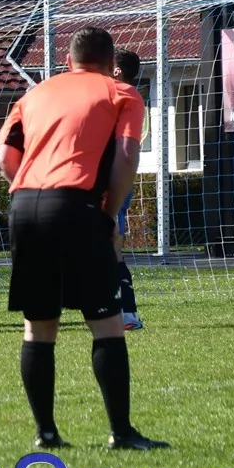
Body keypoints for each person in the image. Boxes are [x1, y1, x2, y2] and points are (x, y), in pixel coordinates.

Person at [0, 27, 167, 450]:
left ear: (68, 62)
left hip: (24, 205)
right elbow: (127, 156)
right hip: (77, 205)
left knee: (39, 327)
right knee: (106, 322)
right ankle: (121, 433)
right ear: (111, 64)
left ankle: (46, 434)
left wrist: (32, 194)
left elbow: (4, 160)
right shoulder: (121, 93)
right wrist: (108, 214)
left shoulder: (34, 94)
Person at [111, 50, 144, 330]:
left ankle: (126, 314)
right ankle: (125, 314)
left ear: (117, 71)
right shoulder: (128, 97)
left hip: (110, 183)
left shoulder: (119, 96)